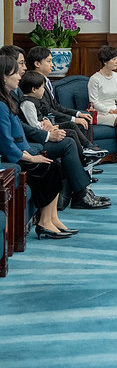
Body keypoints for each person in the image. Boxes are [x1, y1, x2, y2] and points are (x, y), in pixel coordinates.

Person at [0, 45, 110, 210]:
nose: (23, 68)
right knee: (67, 143)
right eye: (20, 64)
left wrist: (47, 122)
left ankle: (83, 188)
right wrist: (46, 135)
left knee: (70, 135)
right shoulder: (12, 93)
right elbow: (19, 126)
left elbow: (42, 111)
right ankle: (81, 193)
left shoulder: (15, 91)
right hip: (29, 140)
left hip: (31, 136)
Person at [0, 55, 76, 239]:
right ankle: (44, 223)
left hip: (20, 153)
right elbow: (6, 143)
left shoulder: (7, 100)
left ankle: (52, 219)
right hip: (12, 158)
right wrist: (31, 157)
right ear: (3, 77)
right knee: (50, 169)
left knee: (54, 167)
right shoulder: (1, 105)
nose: (19, 76)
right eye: (14, 73)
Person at [26, 46, 106, 156]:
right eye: (49, 61)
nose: (52, 64)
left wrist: (77, 114)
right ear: (37, 64)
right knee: (75, 125)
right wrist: (73, 119)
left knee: (84, 119)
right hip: (47, 122)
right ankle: (86, 153)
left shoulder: (46, 82)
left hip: (50, 118)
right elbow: (47, 110)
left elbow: (56, 106)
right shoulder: (35, 84)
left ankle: (88, 153)